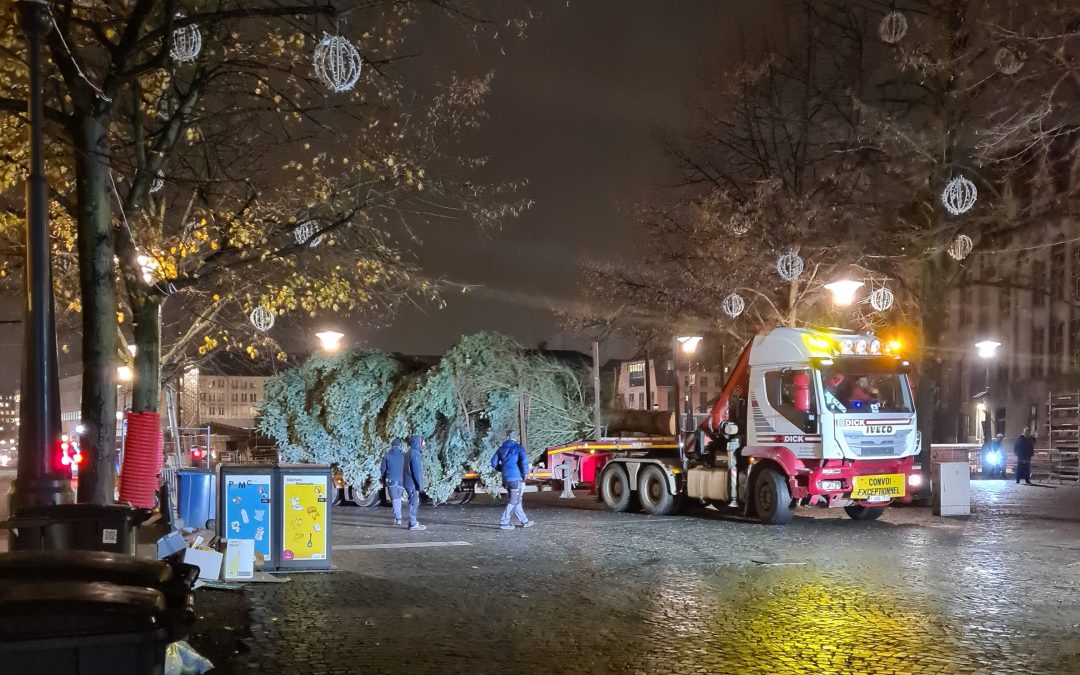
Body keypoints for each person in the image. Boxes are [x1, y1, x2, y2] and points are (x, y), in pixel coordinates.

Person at [491, 431, 534, 530]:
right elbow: (524, 463)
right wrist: (523, 475)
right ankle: (504, 523)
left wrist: (502, 468)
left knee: (516, 500)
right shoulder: (518, 448)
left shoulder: (501, 448)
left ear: (507, 437)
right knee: (514, 500)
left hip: (506, 478)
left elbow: (493, 462)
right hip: (515, 478)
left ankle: (525, 521)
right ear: (516, 438)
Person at [380, 438, 406, 526]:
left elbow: (382, 469)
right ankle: (397, 516)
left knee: (395, 499)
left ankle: (398, 518)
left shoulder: (387, 455)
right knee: (398, 498)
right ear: (399, 445)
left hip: (391, 480)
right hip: (401, 481)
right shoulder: (403, 455)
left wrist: (383, 477)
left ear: (392, 445)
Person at [403, 434, 427, 530]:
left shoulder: (409, 452)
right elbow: (416, 471)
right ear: (418, 443)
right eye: (422, 443)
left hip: (408, 482)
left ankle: (412, 522)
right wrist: (420, 485)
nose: (423, 446)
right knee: (414, 502)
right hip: (412, 483)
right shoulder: (415, 454)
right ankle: (413, 524)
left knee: (413, 501)